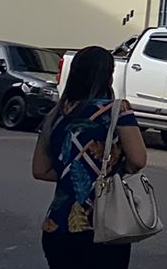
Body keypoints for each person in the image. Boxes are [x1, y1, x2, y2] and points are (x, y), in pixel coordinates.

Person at [32, 45, 147, 268]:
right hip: (100, 226)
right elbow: (138, 160)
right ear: (108, 76)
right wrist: (114, 173)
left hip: (57, 225)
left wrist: (75, 173)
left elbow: (40, 170)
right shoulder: (117, 111)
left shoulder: (56, 114)